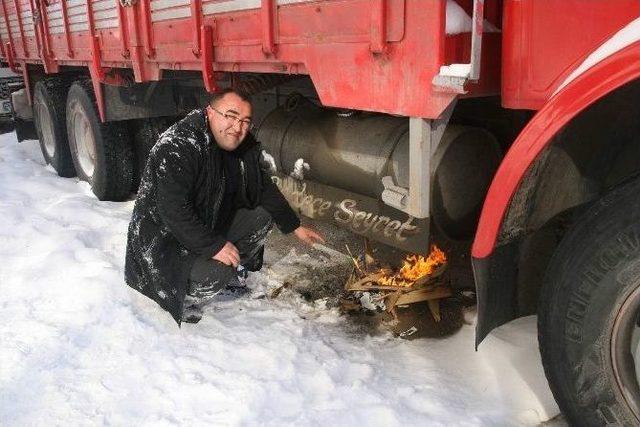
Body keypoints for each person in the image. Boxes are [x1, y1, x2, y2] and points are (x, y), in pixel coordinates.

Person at [124, 88, 324, 324]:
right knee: (215, 271)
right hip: (165, 245)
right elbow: (173, 211)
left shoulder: (239, 143)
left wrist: (294, 226)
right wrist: (215, 246)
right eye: (230, 116)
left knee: (262, 215)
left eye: (245, 121)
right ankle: (187, 298)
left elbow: (261, 186)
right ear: (210, 112)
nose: (237, 127)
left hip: (204, 221)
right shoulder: (179, 145)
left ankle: (227, 273)